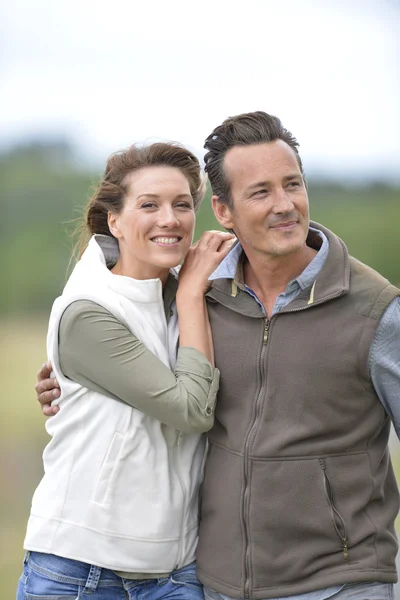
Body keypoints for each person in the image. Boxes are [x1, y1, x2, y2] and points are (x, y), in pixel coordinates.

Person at [36, 111, 400, 600]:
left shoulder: (376, 309)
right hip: (217, 582)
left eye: (292, 184)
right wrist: (65, 375)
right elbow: (123, 329)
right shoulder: (202, 294)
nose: (284, 205)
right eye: (260, 192)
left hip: (341, 583)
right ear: (224, 213)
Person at [18, 141, 234, 600]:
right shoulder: (88, 310)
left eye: (181, 204)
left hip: (178, 572)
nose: (169, 219)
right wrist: (194, 292)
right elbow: (192, 410)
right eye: (149, 205)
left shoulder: (192, 296)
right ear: (113, 220)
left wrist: (194, 293)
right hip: (82, 572)